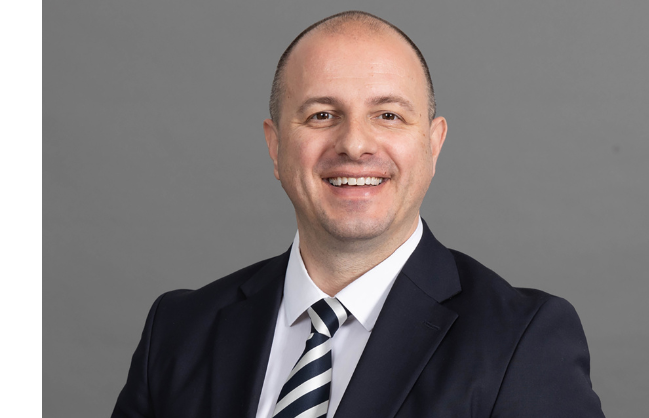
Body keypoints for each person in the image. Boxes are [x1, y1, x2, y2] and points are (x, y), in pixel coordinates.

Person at [112, 10, 604, 418]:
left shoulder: (521, 340)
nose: (354, 144)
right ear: (276, 146)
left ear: (433, 145)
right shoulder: (178, 331)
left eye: (388, 115)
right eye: (322, 115)